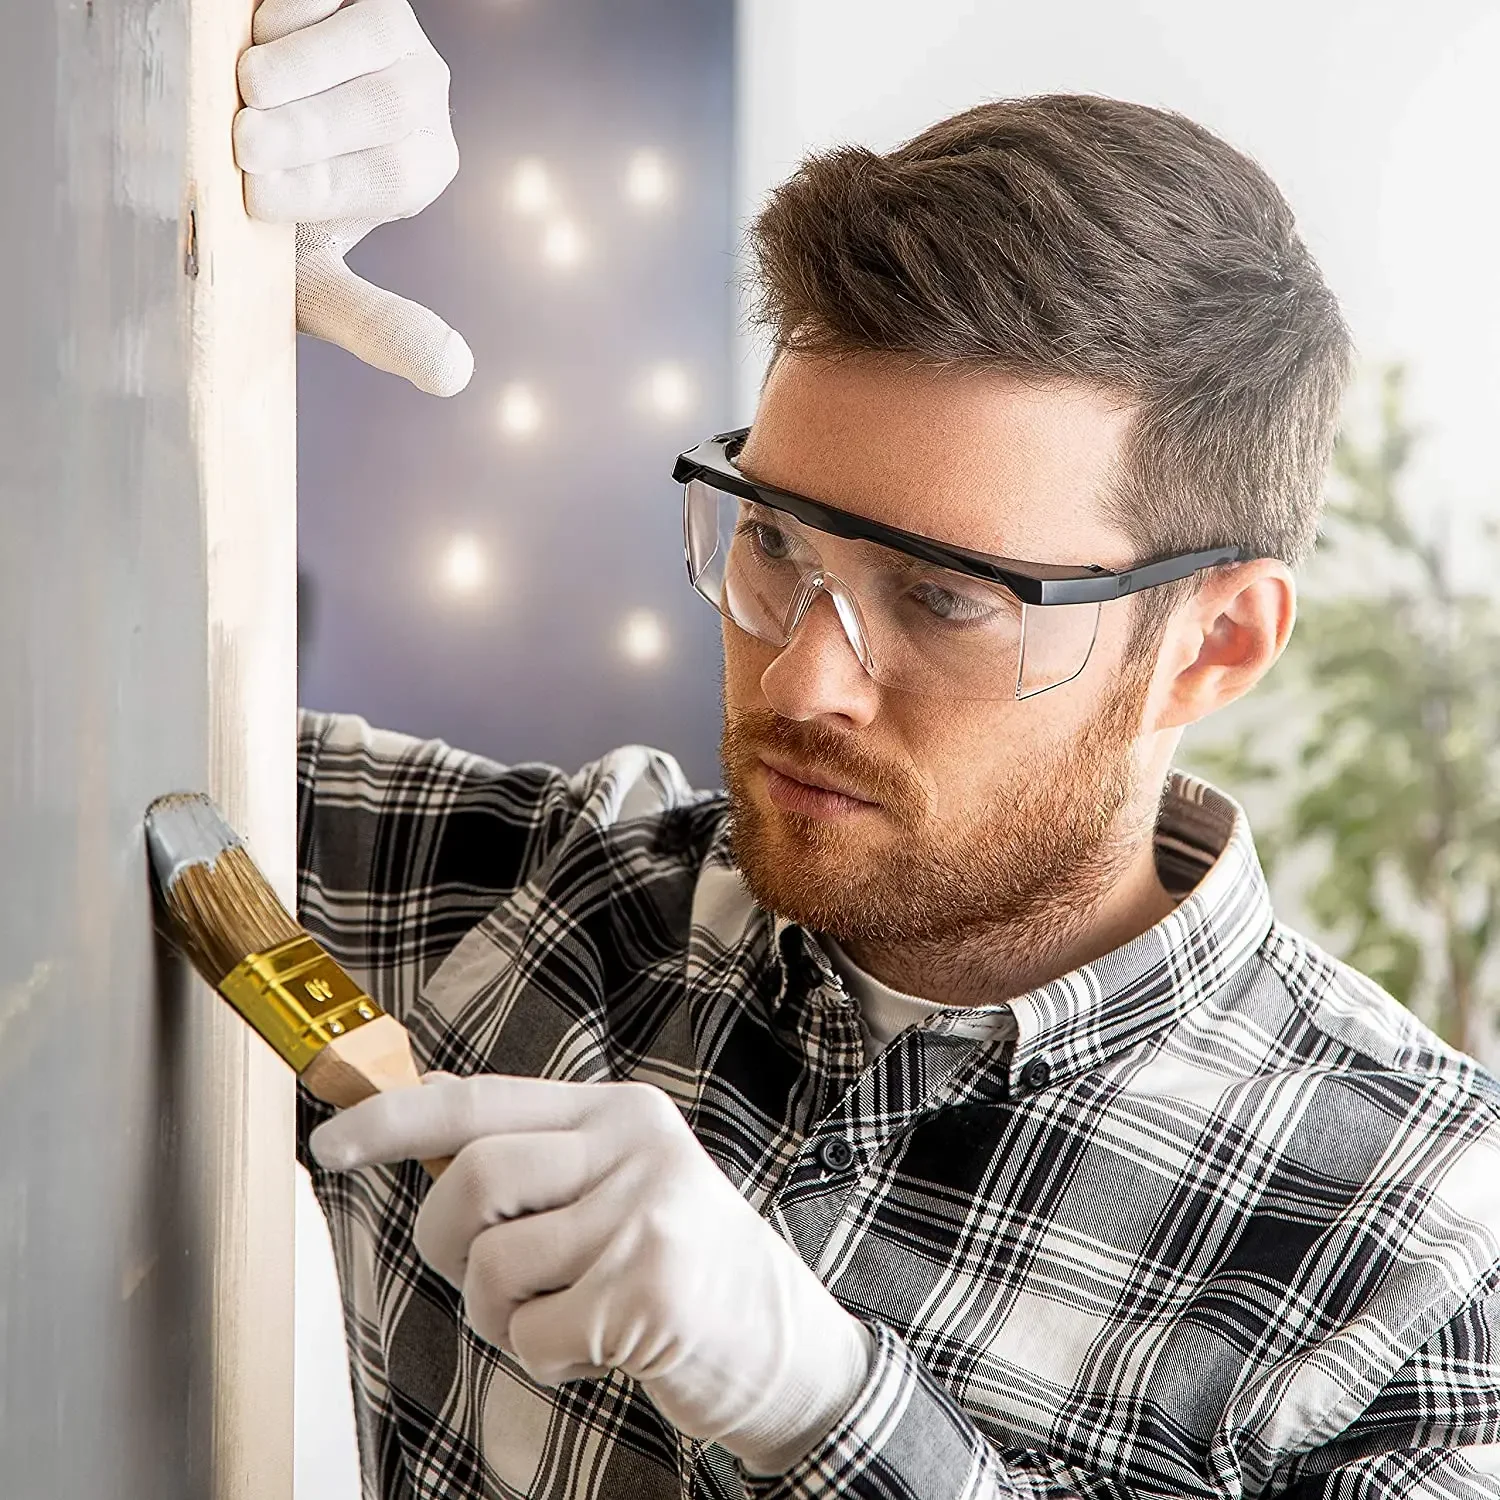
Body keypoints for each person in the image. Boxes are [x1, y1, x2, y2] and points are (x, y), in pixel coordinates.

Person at [236, 2, 1500, 1496]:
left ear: (1215, 643)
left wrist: (822, 1411)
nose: (805, 675)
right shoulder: (536, 908)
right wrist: (201, 192)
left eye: (947, 597)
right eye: (771, 539)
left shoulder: (1418, 1248)